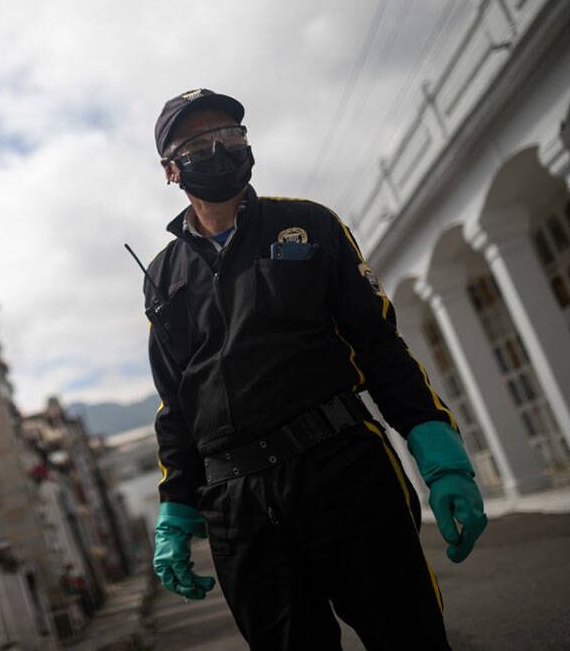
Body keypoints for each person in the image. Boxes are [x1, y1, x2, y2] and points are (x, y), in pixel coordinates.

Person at [140, 89, 488, 650]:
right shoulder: (162, 276)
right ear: (170, 170)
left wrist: (436, 447)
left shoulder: (307, 224)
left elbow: (378, 344)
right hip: (238, 507)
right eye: (199, 145)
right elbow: (175, 402)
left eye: (230, 136)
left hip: (342, 468)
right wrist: (176, 508)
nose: (219, 150)